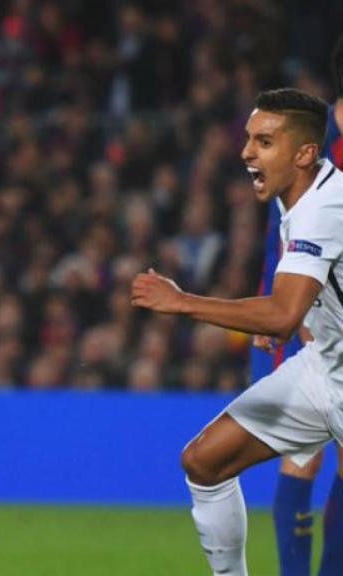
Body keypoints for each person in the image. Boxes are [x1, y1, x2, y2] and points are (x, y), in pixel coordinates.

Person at [131, 87, 343, 576]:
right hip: (324, 371)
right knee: (205, 462)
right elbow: (297, 306)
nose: (247, 151)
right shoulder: (304, 200)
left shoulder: (323, 209)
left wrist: (182, 302)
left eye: (265, 141)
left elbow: (282, 314)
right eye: (248, 138)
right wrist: (294, 318)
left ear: (306, 153)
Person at [252, 40, 343, 575]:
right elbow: (283, 239)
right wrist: (292, 320)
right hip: (307, 319)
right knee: (303, 457)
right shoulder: (310, 140)